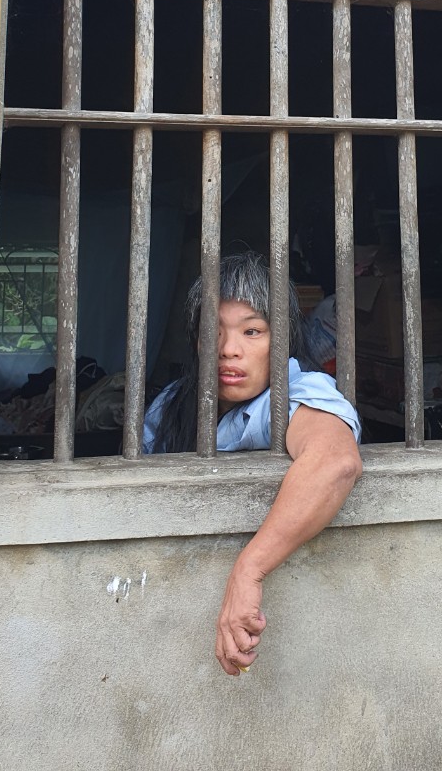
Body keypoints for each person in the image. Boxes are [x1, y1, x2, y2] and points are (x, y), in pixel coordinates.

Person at [143, 252, 363, 676]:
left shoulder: (295, 393)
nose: (229, 350)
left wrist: (249, 570)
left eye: (252, 331)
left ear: (282, 340)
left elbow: (335, 461)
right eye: (213, 331)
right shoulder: (171, 403)